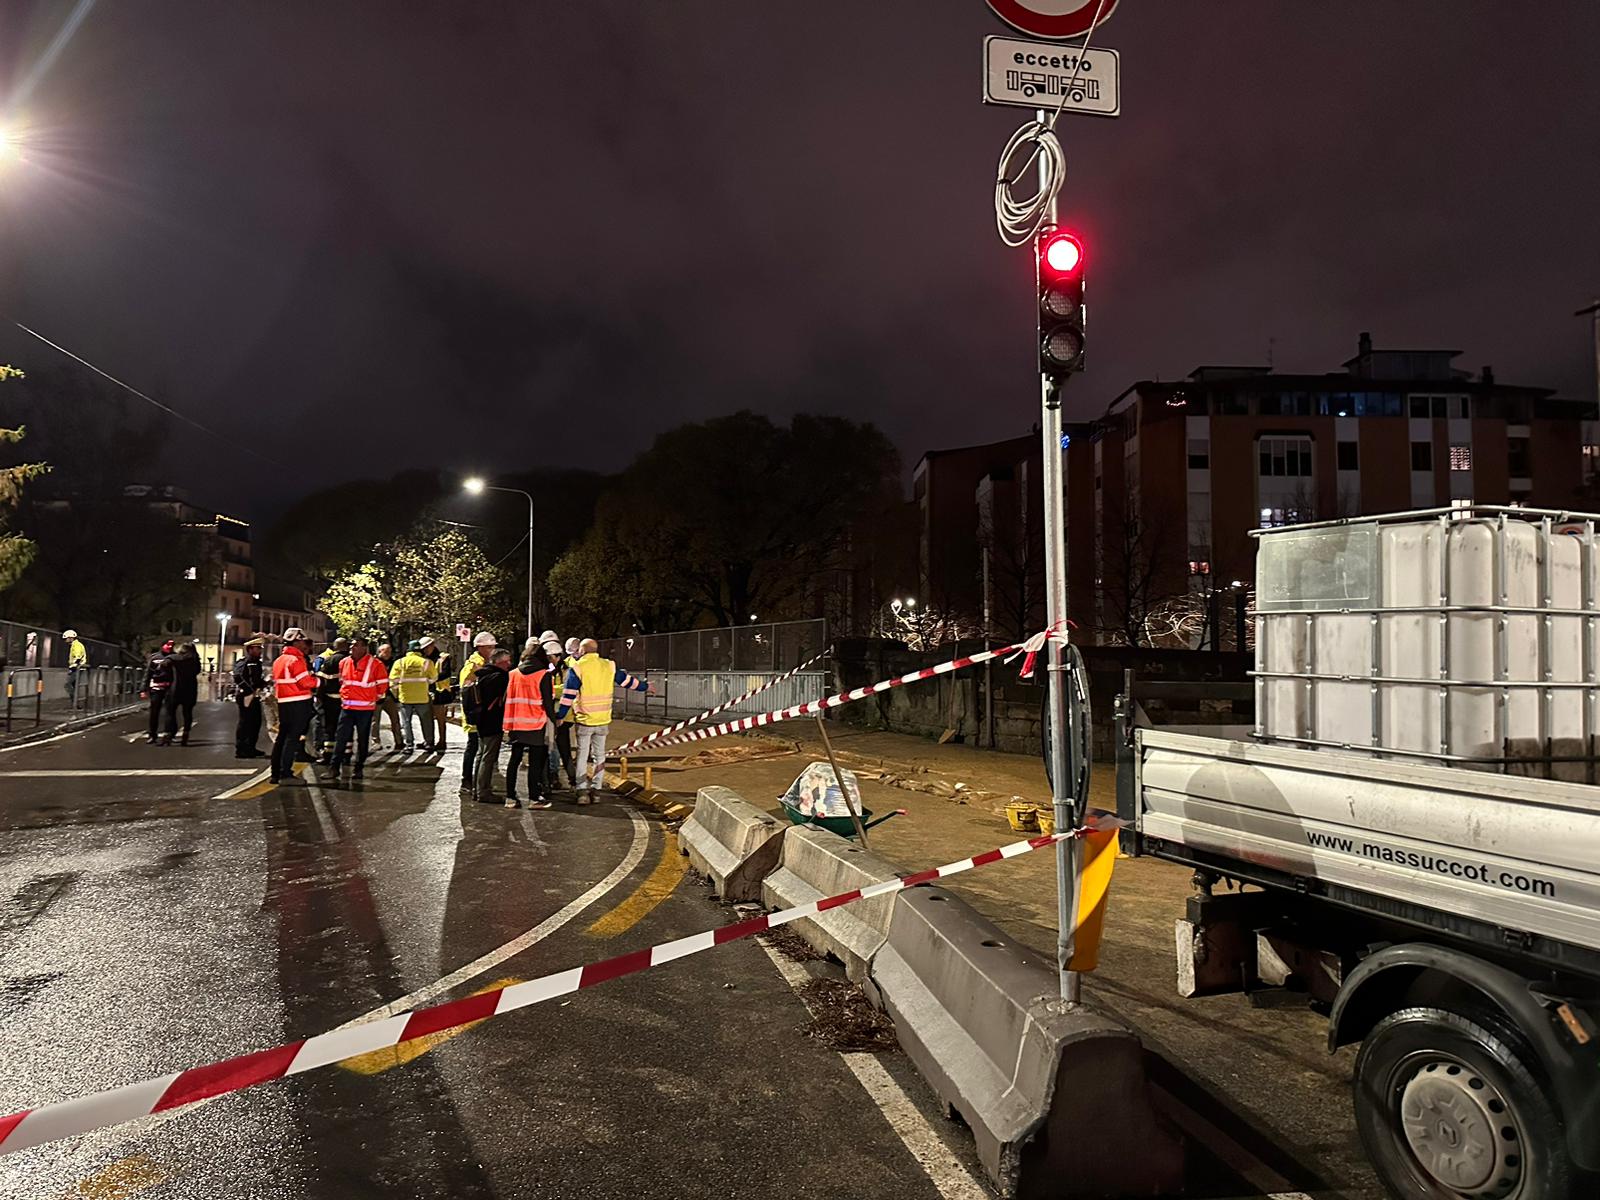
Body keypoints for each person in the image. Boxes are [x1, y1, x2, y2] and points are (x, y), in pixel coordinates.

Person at [553, 638, 651, 803]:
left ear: (582, 651)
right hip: (603, 719)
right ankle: (596, 791)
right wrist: (646, 686)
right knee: (599, 756)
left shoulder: (577, 668)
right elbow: (627, 681)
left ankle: (582, 792)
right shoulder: (609, 665)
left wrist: (560, 716)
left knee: (582, 756)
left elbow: (568, 695)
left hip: (584, 720)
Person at [328, 634, 389, 783]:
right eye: (351, 644)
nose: (351, 647)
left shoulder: (376, 664)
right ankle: (334, 768)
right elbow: (343, 682)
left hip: (365, 709)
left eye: (355, 645)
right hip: (347, 707)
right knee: (341, 739)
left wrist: (372, 698)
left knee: (362, 741)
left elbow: (383, 686)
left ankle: (358, 769)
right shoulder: (344, 662)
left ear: (364, 647)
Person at [504, 645, 556, 810]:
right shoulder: (544, 675)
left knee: (514, 760)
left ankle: (510, 798)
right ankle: (534, 798)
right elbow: (548, 703)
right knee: (535, 762)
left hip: (515, 723)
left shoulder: (512, 674)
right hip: (535, 724)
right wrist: (555, 720)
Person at [268, 628, 318, 784]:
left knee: (282, 738)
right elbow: (305, 682)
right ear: (296, 641)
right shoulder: (296, 660)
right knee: (292, 739)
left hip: (284, 703)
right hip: (299, 703)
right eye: (302, 641)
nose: (304, 644)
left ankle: (275, 773)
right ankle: (286, 773)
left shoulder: (279, 660)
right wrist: (320, 682)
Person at [465, 647, 513, 803]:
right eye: (507, 661)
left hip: (481, 719)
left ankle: (477, 789)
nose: (509, 664)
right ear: (499, 662)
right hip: (493, 720)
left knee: (481, 754)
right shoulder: (499, 678)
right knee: (488, 756)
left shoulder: (482, 675)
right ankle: (483, 791)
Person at [457, 631, 496, 795]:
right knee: (473, 747)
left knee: (478, 748)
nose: (493, 650)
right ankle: (467, 781)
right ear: (480, 648)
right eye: (490, 647)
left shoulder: (484, 663)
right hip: (475, 714)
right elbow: (467, 691)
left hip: (480, 714)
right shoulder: (474, 666)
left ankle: (475, 781)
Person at [542, 633, 577, 790]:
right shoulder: (546, 670)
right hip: (549, 715)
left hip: (564, 716)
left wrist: (549, 690)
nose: (550, 661)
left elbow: (568, 689)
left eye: (552, 658)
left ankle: (574, 782)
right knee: (550, 749)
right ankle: (552, 778)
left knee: (564, 750)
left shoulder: (567, 670)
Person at [391, 639, 434, 752]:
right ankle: (428, 743)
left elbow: (393, 681)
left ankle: (409, 745)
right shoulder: (426, 662)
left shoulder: (400, 662)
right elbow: (434, 678)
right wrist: (425, 684)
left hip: (405, 697)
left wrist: (397, 693)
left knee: (406, 722)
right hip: (422, 697)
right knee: (426, 721)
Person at [312, 638, 349, 761]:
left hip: (330, 700)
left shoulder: (329, 661)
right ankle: (346, 754)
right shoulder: (352, 661)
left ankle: (328, 755)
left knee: (330, 728)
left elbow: (321, 682)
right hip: (348, 700)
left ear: (335, 647)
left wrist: (319, 698)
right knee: (346, 728)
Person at [232, 636, 269, 758]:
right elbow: (238, 677)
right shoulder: (244, 662)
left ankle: (251, 747)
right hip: (246, 695)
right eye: (257, 648)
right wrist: (250, 691)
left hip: (254, 695)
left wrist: (265, 683)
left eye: (260, 648)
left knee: (255, 723)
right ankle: (242, 749)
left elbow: (256, 680)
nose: (260, 651)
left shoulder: (257, 662)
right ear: (250, 649)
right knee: (245, 723)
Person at [140, 639, 177, 745]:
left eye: (171, 645)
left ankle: (170, 734)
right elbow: (148, 674)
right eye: (167, 644)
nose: (169, 647)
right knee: (154, 713)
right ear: (162, 645)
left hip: (170, 688)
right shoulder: (155, 657)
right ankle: (152, 735)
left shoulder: (175, 657)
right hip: (156, 688)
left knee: (170, 712)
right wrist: (143, 689)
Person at [166, 641, 201, 745]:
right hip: (190, 689)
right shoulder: (195, 661)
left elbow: (170, 660)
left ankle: (170, 733)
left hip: (176, 688)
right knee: (187, 713)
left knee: (170, 712)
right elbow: (197, 671)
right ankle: (186, 733)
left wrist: (168, 660)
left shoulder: (176, 659)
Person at [370, 641, 404, 750]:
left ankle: (399, 741)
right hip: (377, 697)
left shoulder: (394, 663)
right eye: (386, 651)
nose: (388, 653)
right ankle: (376, 742)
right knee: (375, 721)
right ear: (380, 652)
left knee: (395, 720)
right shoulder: (373, 663)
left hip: (390, 696)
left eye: (389, 651)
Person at [421, 637, 452, 751]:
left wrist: (432, 679)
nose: (425, 650)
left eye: (426, 647)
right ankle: (429, 740)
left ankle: (442, 741)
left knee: (440, 719)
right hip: (426, 691)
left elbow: (446, 673)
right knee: (427, 718)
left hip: (440, 691)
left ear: (432, 645)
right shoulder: (423, 659)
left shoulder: (443, 657)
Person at [64, 629, 88, 707]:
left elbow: (78, 657)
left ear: (71, 638)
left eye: (66, 638)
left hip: (76, 668)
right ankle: (75, 703)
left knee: (68, 685)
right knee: (73, 685)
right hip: (77, 667)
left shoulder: (76, 645)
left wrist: (73, 667)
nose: (65, 640)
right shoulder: (76, 645)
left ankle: (75, 702)